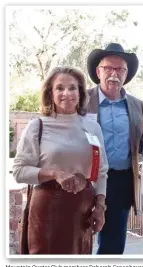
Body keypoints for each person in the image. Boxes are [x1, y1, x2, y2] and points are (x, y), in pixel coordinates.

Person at [13, 66, 109, 254]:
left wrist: (100, 207)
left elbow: (102, 172)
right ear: (50, 93)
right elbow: (19, 171)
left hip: (82, 210)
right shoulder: (37, 126)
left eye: (72, 88)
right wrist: (55, 173)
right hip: (48, 208)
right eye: (60, 88)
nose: (67, 93)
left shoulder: (92, 128)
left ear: (80, 92)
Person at [86, 43, 143, 254]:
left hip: (121, 180)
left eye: (120, 69)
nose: (114, 73)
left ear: (126, 74)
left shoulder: (136, 105)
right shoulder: (81, 101)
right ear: (98, 71)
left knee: (114, 241)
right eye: (108, 68)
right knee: (78, 235)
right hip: (86, 180)